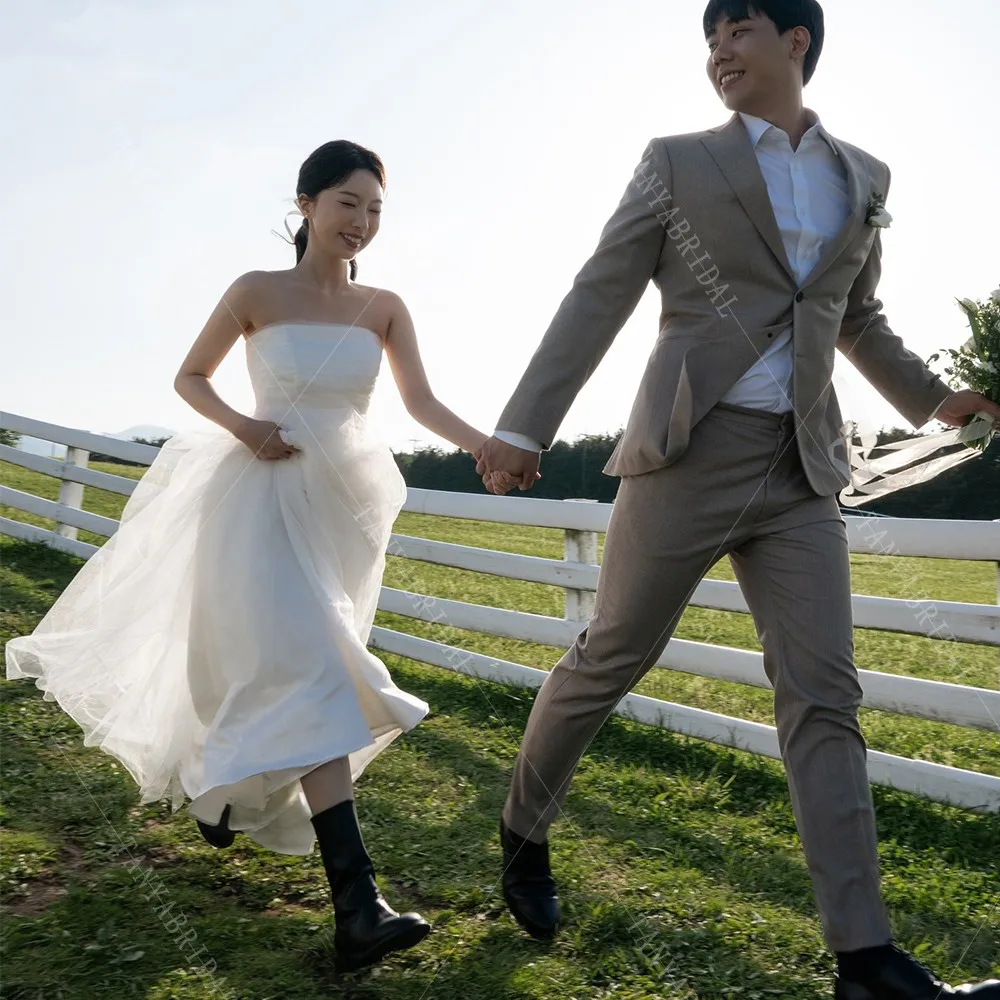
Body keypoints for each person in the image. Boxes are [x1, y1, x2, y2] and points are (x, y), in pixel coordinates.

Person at [475, 2, 1000, 997]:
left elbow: (857, 317)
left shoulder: (864, 176)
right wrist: (522, 426)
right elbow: (601, 290)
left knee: (823, 697)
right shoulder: (674, 162)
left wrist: (935, 399)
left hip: (801, 465)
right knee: (606, 659)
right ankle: (522, 828)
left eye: (737, 32)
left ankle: (863, 958)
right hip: (687, 452)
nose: (717, 52)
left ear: (794, 42)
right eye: (709, 39)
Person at [5, 139, 489, 973]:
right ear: (304, 204)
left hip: (344, 505)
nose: (362, 222)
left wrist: (488, 445)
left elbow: (420, 401)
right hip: (260, 496)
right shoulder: (255, 291)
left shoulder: (384, 306)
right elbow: (191, 377)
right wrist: (247, 427)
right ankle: (357, 907)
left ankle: (221, 794)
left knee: (296, 673)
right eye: (347, 202)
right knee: (317, 671)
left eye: (375, 209)